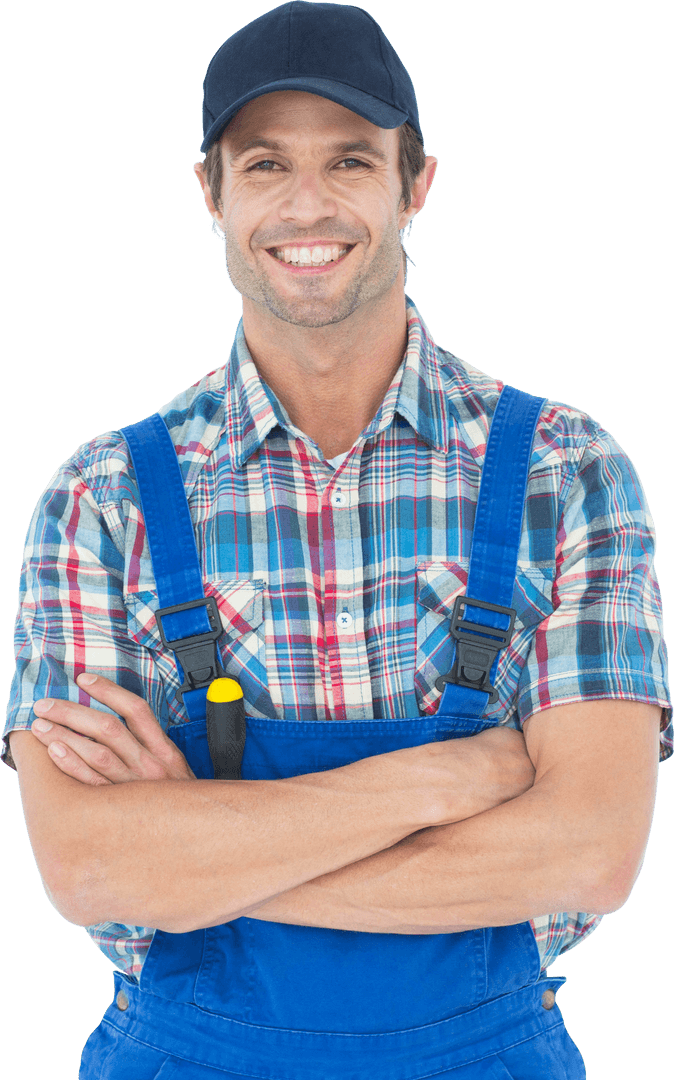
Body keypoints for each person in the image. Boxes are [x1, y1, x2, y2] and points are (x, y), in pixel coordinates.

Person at [3, 3, 671, 1077]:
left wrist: (197, 850)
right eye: (264, 164)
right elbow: (86, 870)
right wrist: (448, 781)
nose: (305, 204)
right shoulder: (103, 498)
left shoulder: (567, 471)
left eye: (350, 160)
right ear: (210, 194)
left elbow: (590, 853)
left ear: (415, 186)